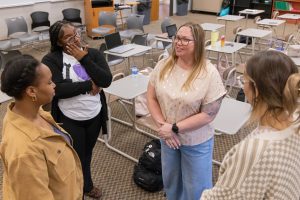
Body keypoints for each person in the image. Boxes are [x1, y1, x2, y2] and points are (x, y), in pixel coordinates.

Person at [201, 50, 300, 199]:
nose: (242, 86)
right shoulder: (295, 121)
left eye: (245, 80)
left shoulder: (254, 151)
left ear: (257, 90)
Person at [147, 22, 227, 200]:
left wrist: (173, 128)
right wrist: (164, 128)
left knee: (196, 188)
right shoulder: (163, 65)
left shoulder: (209, 72)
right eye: (177, 38)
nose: (178, 42)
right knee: (171, 181)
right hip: (167, 138)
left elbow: (208, 115)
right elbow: (151, 97)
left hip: (195, 141)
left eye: (185, 39)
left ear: (197, 43)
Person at [42, 20, 112, 199]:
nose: (75, 38)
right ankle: (76, 192)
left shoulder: (93, 54)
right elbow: (58, 90)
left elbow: (105, 80)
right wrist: (90, 83)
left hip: (94, 115)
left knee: (87, 155)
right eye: (69, 37)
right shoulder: (51, 60)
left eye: (76, 33)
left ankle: (86, 185)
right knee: (74, 158)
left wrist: (83, 58)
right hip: (69, 117)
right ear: (59, 42)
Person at [0, 55, 83, 199]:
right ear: (32, 91)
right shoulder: (24, 151)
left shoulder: (28, 111)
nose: (54, 85)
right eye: (49, 82)